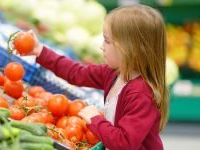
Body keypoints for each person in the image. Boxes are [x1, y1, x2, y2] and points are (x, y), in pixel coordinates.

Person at [24, 4, 169, 150]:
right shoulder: (113, 73)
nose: (102, 46)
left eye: (107, 41)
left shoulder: (140, 94)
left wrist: (95, 120)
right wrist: (40, 51)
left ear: (128, 49)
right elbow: (76, 73)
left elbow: (125, 143)